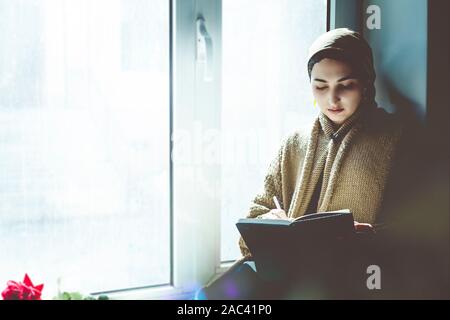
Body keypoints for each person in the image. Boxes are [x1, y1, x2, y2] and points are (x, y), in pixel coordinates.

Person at [197, 28, 406, 300]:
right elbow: (257, 212)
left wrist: (370, 238)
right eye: (320, 86)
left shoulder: (393, 140)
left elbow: (415, 230)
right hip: (283, 275)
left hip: (350, 282)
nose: (332, 98)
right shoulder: (295, 143)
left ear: (366, 83)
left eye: (346, 84)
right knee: (207, 297)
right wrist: (268, 221)